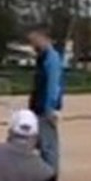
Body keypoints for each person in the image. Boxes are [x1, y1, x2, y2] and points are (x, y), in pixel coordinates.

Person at [27, 27, 64, 173]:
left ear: (44, 38)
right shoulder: (42, 57)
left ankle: (50, 174)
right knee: (40, 143)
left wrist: (50, 107)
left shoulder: (51, 58)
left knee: (48, 145)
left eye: (34, 40)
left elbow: (53, 84)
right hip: (38, 107)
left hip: (45, 108)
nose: (32, 45)